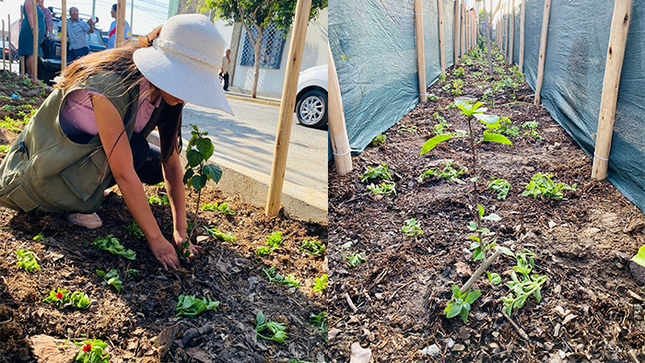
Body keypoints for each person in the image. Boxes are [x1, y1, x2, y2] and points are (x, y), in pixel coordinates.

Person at [0, 14, 233, 270]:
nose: (189, 93)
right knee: (135, 151)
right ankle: (74, 203)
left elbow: (171, 161)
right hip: (42, 173)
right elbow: (123, 172)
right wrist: (156, 240)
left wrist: (180, 228)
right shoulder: (110, 84)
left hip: (82, 159)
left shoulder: (164, 95)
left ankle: (85, 192)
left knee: (151, 160)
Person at [18, 0, 45, 80]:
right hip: (30, 30)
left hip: (34, 31)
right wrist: (33, 29)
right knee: (31, 53)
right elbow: (30, 15)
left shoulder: (35, 4)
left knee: (33, 53)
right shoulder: (29, 1)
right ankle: (32, 76)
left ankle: (32, 75)